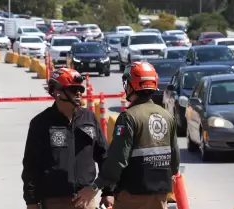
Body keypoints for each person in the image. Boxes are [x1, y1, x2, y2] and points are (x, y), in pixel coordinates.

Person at [73, 62, 180, 209]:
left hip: (132, 194)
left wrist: (95, 186)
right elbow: (175, 161)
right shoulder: (167, 116)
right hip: (160, 194)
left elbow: (118, 160)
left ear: (131, 86)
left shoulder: (128, 117)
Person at [21, 68, 114, 209]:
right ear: (57, 92)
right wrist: (31, 201)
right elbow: (31, 166)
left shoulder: (89, 118)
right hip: (54, 202)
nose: (78, 94)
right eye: (73, 90)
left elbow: (104, 157)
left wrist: (108, 191)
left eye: (80, 90)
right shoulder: (40, 123)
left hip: (86, 200)